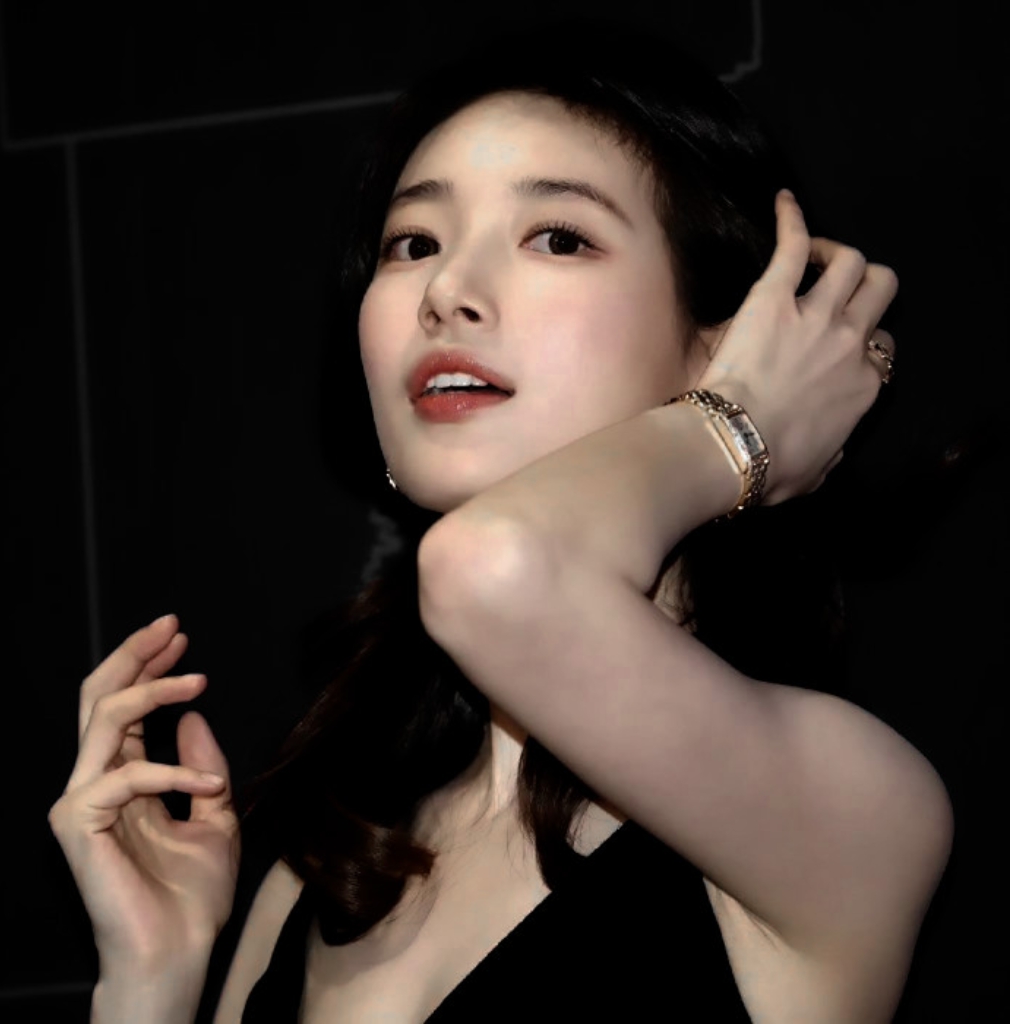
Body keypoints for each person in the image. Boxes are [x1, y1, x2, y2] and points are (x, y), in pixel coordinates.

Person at [49, 21, 953, 1023]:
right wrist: (153, 979)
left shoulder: (842, 804)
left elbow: (494, 571)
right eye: (413, 243)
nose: (446, 292)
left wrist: (739, 424)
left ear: (726, 348)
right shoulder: (323, 874)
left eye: (558, 236)